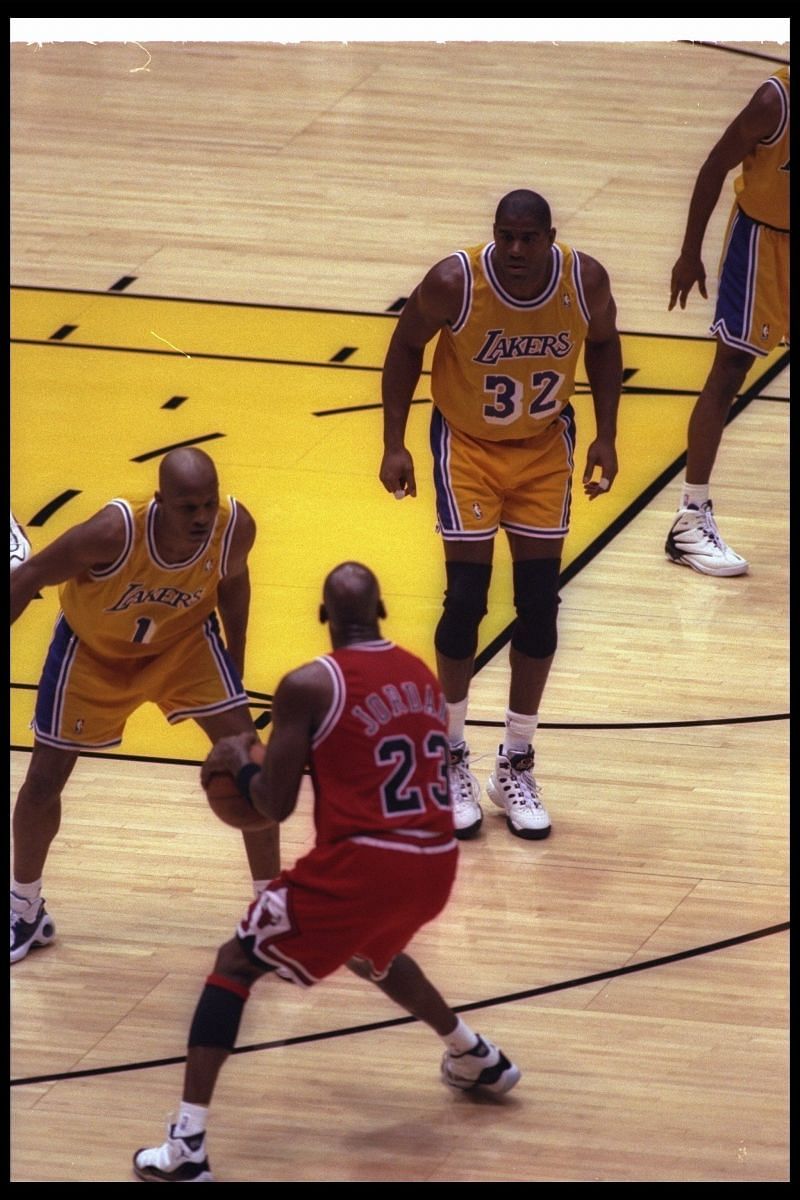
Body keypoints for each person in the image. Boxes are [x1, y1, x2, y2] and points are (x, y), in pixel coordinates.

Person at [132, 562, 520, 1183]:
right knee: (373, 953)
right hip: (435, 860)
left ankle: (186, 1147)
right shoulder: (420, 675)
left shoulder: (310, 684)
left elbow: (273, 806)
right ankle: (476, 1055)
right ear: (385, 611)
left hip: (363, 863)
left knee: (234, 963)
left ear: (321, 615)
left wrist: (239, 759)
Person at [379, 189, 621, 842]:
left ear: (549, 237)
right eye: (504, 236)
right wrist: (394, 442)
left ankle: (514, 761)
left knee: (540, 607)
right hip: (467, 448)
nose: (515, 250)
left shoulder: (583, 278)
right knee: (465, 600)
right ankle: (449, 753)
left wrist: (606, 434)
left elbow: (604, 344)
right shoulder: (455, 280)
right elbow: (404, 348)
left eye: (528, 238)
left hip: (543, 448)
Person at [10, 447, 280, 964]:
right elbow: (30, 575)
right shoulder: (112, 532)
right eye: (188, 508)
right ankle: (25, 909)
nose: (202, 517)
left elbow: (234, 581)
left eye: (208, 503)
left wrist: (236, 659)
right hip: (92, 651)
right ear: (160, 501)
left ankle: (270, 914)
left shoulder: (233, 526)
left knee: (252, 769)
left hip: (184, 647)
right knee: (43, 781)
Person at [666, 66, 789, 576]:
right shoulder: (774, 101)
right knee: (730, 369)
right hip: (761, 241)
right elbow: (714, 166)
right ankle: (689, 520)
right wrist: (689, 252)